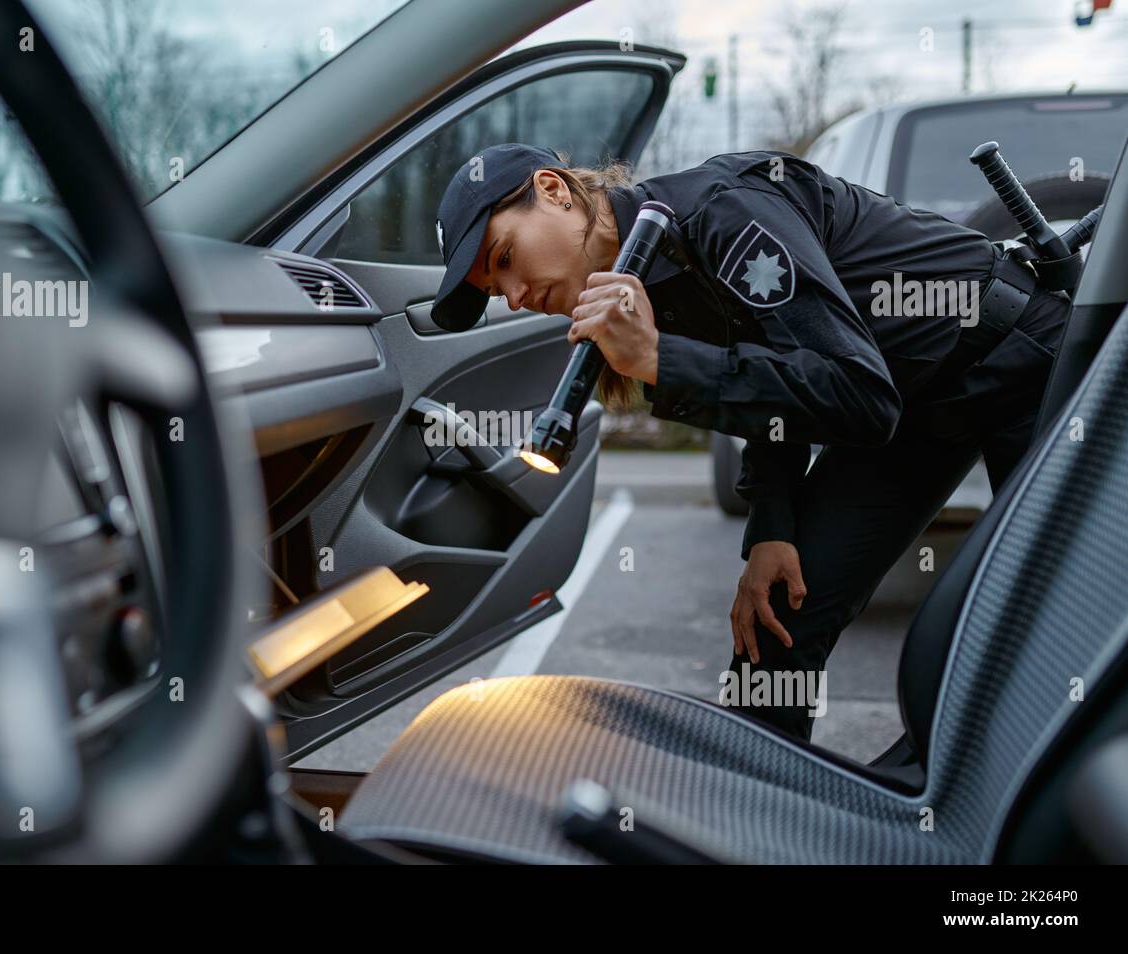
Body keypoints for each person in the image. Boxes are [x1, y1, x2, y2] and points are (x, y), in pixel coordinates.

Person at [428, 142, 1069, 741]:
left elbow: (857, 396)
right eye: (494, 289)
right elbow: (780, 385)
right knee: (776, 623)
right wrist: (772, 525)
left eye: (506, 258)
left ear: (554, 190)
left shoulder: (723, 213)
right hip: (913, 402)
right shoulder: (647, 285)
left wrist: (661, 358)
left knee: (1056, 616)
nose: (513, 297)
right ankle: (760, 817)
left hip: (1019, 354)